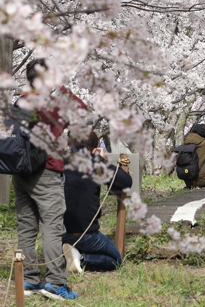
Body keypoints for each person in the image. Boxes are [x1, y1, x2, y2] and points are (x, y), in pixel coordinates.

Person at [15, 58, 86, 301]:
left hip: (22, 171)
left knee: (26, 228)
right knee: (52, 229)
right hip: (47, 171)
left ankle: (29, 279)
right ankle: (56, 283)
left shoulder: (21, 102)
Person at [61, 133, 131, 273]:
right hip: (86, 233)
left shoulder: (58, 162)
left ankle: (66, 254)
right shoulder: (96, 164)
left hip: (57, 232)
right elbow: (126, 181)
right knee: (115, 259)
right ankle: (81, 258)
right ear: (95, 149)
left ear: (68, 146)